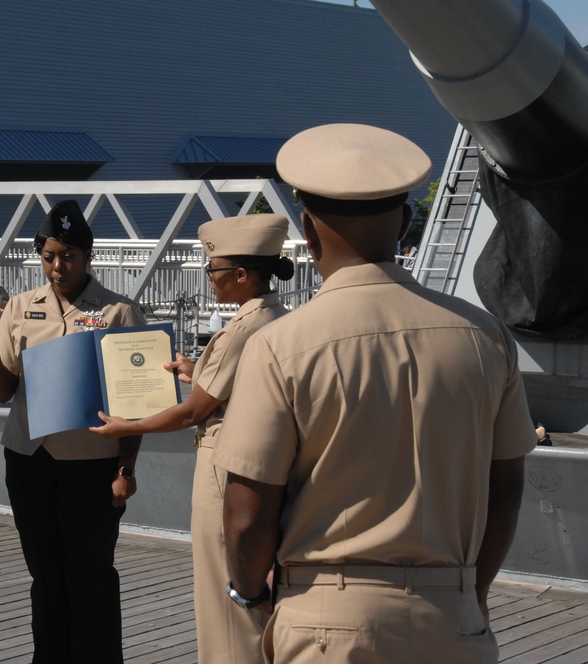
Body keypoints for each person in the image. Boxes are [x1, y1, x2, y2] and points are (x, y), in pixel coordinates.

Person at [212, 123, 537, 663]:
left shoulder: (279, 346)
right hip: (451, 619)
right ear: (406, 221)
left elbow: (247, 514)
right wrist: (468, 593)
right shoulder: (486, 337)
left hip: (325, 622)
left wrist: (249, 593)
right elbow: (506, 488)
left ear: (308, 230)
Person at [89, 214, 294, 663]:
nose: (210, 280)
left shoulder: (240, 330)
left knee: (224, 592)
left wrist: (128, 427)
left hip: (224, 464)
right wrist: (194, 371)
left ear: (241, 275)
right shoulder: (276, 316)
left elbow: (193, 413)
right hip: (259, 462)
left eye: (214, 271)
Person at [0, 199, 145, 664]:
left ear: (88, 257)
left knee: (90, 574)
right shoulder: (21, 308)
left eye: (68, 256)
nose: (57, 266)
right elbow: (4, 390)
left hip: (91, 466)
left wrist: (126, 469)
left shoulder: (119, 313)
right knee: (46, 575)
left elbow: (136, 404)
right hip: (29, 462)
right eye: (49, 256)